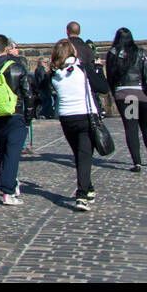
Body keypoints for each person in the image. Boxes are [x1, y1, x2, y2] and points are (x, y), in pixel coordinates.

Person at [0, 34, 38, 205]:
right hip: (15, 114)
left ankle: (11, 182)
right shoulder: (16, 67)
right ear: (7, 48)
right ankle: (8, 191)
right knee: (12, 154)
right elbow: (28, 94)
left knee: (4, 153)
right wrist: (28, 118)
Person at [49, 38, 99, 210]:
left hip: (66, 118)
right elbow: (103, 87)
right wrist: (98, 69)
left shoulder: (54, 73)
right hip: (84, 115)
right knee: (84, 155)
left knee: (79, 154)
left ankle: (89, 187)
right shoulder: (82, 69)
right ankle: (82, 195)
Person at [106, 27, 147, 171]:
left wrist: (115, 94)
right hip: (143, 94)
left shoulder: (112, 55)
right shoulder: (141, 53)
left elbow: (111, 77)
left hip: (126, 95)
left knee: (131, 128)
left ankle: (137, 162)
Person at [66, 20, 110, 113]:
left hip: (69, 87)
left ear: (67, 31)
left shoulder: (64, 48)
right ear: (79, 32)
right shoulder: (87, 48)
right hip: (88, 86)